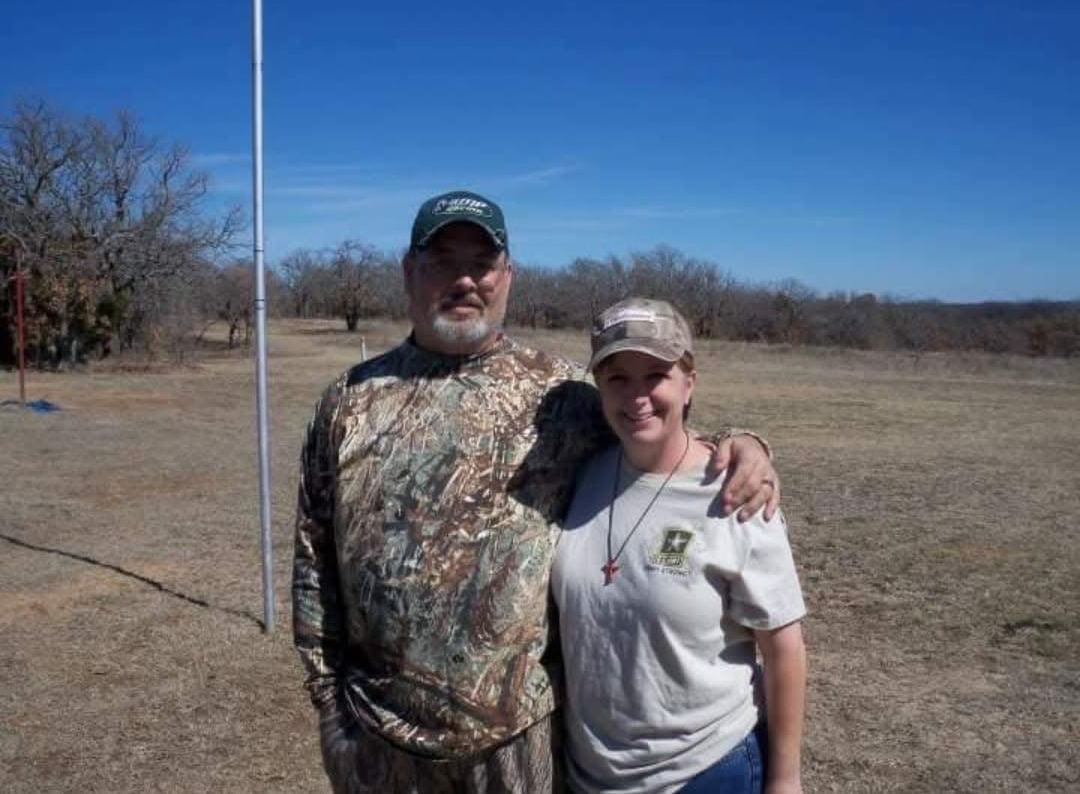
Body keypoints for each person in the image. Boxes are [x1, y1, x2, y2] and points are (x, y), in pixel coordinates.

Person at [292, 191, 781, 794]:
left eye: (483, 263)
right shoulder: (347, 402)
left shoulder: (562, 396)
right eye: (443, 261)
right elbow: (313, 563)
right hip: (376, 736)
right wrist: (329, 708)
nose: (465, 279)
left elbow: (659, 433)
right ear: (409, 270)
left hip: (518, 740)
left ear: (508, 276)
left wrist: (743, 443)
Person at [551, 298, 807, 794]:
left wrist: (785, 779)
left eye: (656, 375)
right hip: (593, 774)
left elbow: (784, 649)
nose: (637, 396)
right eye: (618, 378)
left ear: (689, 382)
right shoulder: (582, 472)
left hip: (705, 770)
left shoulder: (737, 493)